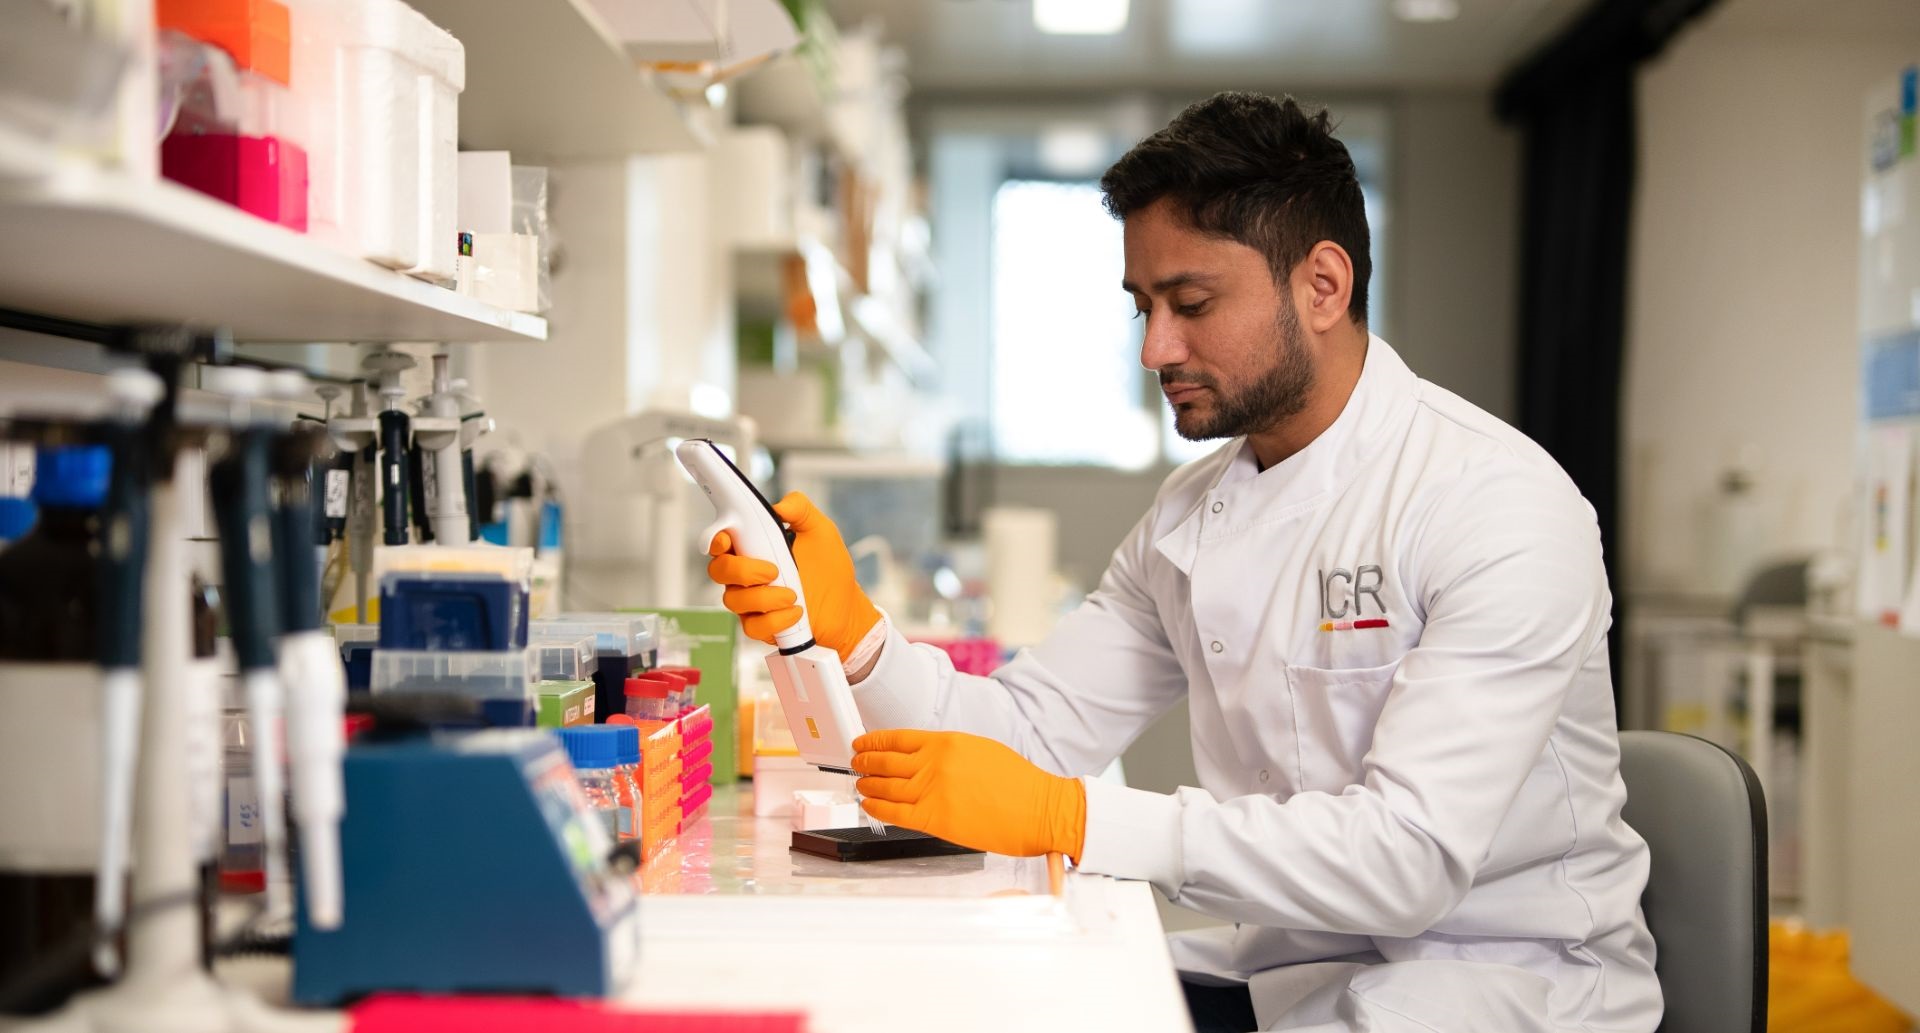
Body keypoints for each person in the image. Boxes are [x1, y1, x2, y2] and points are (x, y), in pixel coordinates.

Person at [706, 92, 1660, 1033]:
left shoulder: (1496, 504)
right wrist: (857, 635)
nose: (1155, 347)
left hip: (1507, 988)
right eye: (1143, 306)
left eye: (1192, 303)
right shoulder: (1189, 517)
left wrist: (1073, 818)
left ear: (1322, 286)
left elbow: (1404, 860)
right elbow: (1027, 732)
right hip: (1302, 969)